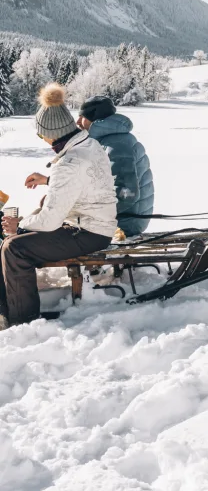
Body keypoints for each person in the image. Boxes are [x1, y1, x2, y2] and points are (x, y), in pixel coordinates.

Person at [0, 84, 117, 328]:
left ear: (50, 134)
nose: (42, 139)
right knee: (29, 223)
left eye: (40, 134)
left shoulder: (69, 162)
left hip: (89, 232)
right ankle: (9, 307)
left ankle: (22, 321)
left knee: (14, 249)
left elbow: (50, 220)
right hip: (95, 224)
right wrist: (49, 181)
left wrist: (19, 226)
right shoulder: (87, 145)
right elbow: (82, 181)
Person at [77, 95, 154, 237]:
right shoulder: (107, 141)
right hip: (119, 218)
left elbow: (127, 193)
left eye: (82, 117)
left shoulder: (116, 145)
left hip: (125, 222)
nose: (77, 122)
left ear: (94, 118)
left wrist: (89, 212)